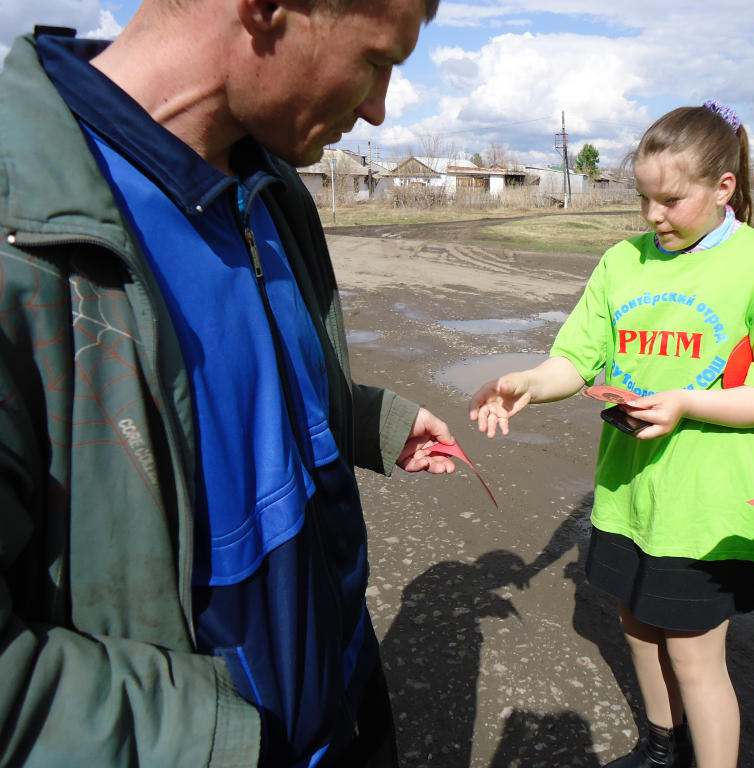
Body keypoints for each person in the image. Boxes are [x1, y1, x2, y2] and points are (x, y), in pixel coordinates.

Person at [0, 0, 455, 765]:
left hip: (346, 699)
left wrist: (366, 419)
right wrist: (218, 743)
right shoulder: (21, 228)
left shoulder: (271, 186)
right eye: (377, 60)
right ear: (266, 10)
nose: (378, 109)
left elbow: (258, 388)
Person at [470, 103, 754, 768]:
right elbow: (577, 358)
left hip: (709, 506)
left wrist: (685, 403)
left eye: (672, 200)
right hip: (629, 496)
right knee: (636, 626)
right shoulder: (621, 262)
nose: (654, 215)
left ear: (724, 187)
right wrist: (530, 383)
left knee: (693, 654)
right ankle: (662, 747)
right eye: (643, 198)